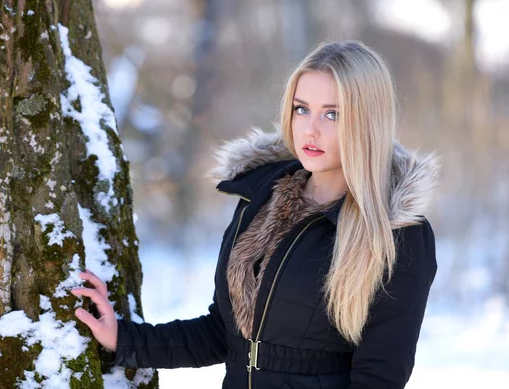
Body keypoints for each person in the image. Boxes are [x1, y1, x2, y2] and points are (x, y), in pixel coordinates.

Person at [70, 40, 440, 389]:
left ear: (366, 122)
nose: (310, 128)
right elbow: (223, 334)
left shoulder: (396, 233)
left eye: (333, 114)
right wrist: (125, 338)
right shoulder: (261, 198)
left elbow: (379, 377)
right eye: (302, 108)